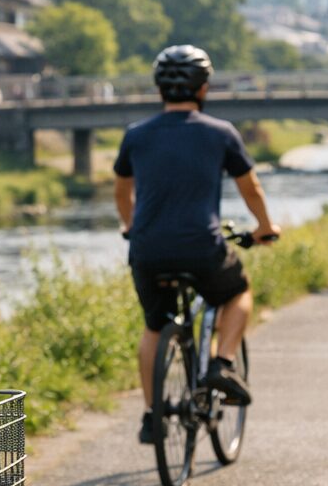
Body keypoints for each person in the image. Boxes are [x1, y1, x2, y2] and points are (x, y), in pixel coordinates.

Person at [113, 45, 279, 444]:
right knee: (238, 291)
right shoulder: (220, 133)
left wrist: (131, 226)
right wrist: (264, 227)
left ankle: (153, 415)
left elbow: (122, 190)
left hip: (148, 250)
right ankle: (221, 364)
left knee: (155, 327)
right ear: (204, 88)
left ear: (159, 90)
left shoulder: (136, 135)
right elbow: (250, 188)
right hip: (201, 247)